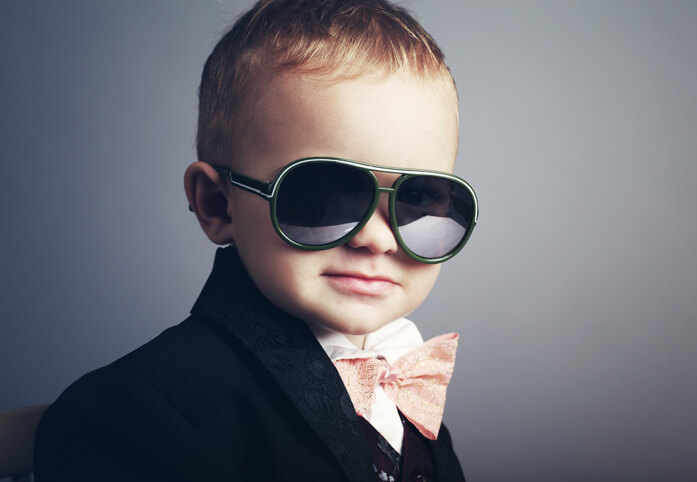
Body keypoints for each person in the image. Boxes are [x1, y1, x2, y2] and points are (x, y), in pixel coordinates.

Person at [34, 0, 478, 480]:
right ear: (217, 205)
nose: (377, 239)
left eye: (418, 199)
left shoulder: (413, 406)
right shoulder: (126, 417)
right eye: (323, 194)